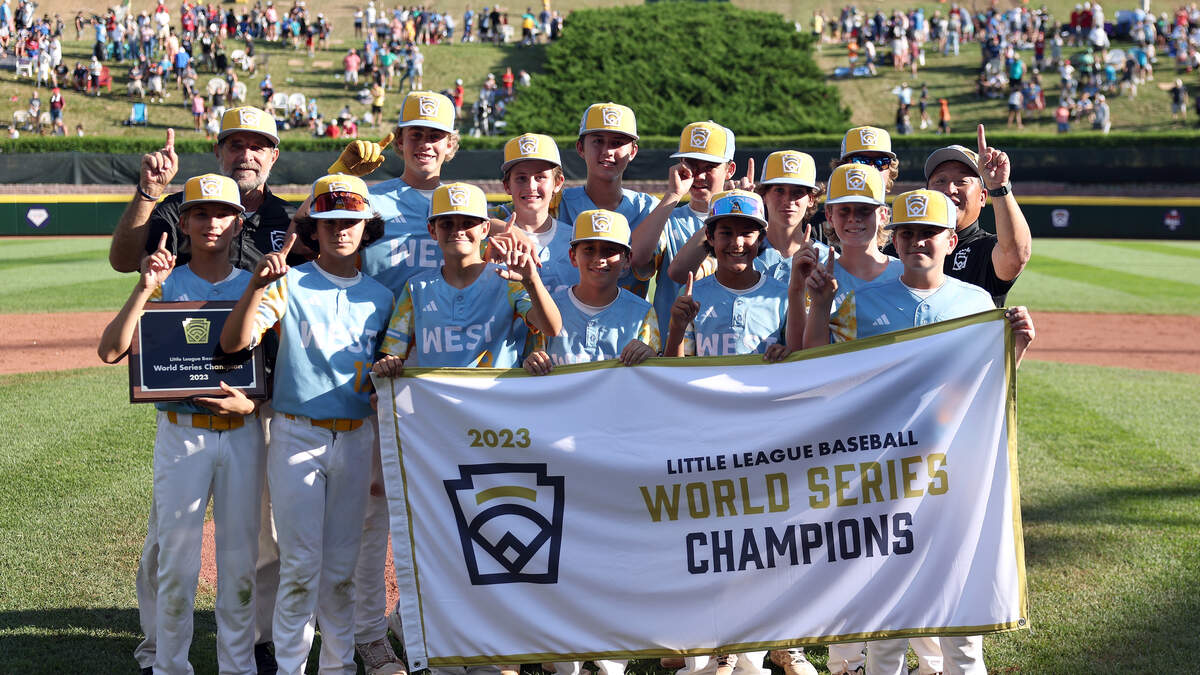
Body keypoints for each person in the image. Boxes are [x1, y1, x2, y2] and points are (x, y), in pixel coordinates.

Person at [804, 187, 1035, 675]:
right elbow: (821, 376)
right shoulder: (860, 302)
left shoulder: (975, 301)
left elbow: (989, 386)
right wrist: (819, 307)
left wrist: (1017, 347)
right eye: (906, 234)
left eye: (928, 233)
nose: (916, 243)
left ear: (952, 240)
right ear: (894, 239)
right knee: (887, 622)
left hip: (956, 473)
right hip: (884, 473)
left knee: (960, 616)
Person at [107, 107, 302, 675]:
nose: (246, 153)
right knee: (172, 553)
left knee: (251, 551)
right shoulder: (177, 208)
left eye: (257, 144)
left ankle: (244, 656)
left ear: (273, 154)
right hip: (183, 424)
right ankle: (163, 658)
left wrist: (261, 402)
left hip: (250, 416)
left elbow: (289, 343)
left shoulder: (288, 219)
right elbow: (125, 267)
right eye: (234, 143)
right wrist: (149, 192)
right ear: (219, 150)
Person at [219, 174, 394, 675]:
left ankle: (337, 667)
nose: (341, 228)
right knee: (300, 566)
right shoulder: (288, 283)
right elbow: (234, 344)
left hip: (357, 438)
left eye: (350, 220)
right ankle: (293, 665)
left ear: (366, 226)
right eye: (330, 220)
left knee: (340, 571)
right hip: (298, 434)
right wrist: (257, 284)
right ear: (313, 228)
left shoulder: (382, 298)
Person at [98, 174, 264, 675]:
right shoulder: (166, 279)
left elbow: (272, 370)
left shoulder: (258, 282)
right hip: (180, 432)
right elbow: (110, 350)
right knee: (175, 561)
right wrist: (145, 287)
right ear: (184, 221)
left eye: (222, 214)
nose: (211, 223)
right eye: (200, 213)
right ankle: (170, 666)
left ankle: (238, 667)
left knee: (240, 564)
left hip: (242, 435)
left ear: (239, 224)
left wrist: (253, 409)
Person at [371, 181, 562, 373]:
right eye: (447, 224)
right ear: (432, 231)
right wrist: (388, 364)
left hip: (495, 399)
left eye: (468, 223)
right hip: (437, 400)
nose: (458, 230)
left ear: (485, 229)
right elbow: (394, 353)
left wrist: (531, 281)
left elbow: (551, 328)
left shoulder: (509, 282)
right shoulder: (416, 288)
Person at [631, 120, 737, 340]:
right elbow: (637, 258)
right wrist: (673, 195)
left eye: (709, 167)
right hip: (672, 349)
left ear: (730, 170)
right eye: (692, 164)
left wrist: (731, 207)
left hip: (723, 344)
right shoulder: (669, 219)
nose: (698, 176)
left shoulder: (744, 224)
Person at [520, 209, 659, 375]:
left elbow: (655, 378)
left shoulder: (642, 312)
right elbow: (531, 364)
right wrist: (533, 362)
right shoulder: (549, 309)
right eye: (589, 249)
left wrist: (650, 356)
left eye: (610, 250)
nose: (599, 258)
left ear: (627, 259)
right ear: (572, 256)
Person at [907, 126, 1032, 306]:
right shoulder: (903, 246)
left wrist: (999, 187)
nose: (949, 189)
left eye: (961, 182)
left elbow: (1016, 255)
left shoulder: (985, 249)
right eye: (940, 181)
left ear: (982, 197)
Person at [664, 189, 789, 362]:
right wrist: (677, 327)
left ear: (761, 238)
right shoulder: (692, 296)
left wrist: (787, 353)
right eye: (726, 233)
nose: (737, 243)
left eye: (746, 233)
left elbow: (802, 363)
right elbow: (675, 371)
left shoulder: (782, 296)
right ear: (709, 236)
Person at [558, 102, 660, 298]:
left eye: (617, 143)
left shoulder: (650, 208)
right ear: (580, 147)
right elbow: (491, 219)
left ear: (633, 151)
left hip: (631, 325)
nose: (607, 151)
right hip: (565, 322)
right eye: (598, 141)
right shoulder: (557, 204)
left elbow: (646, 268)